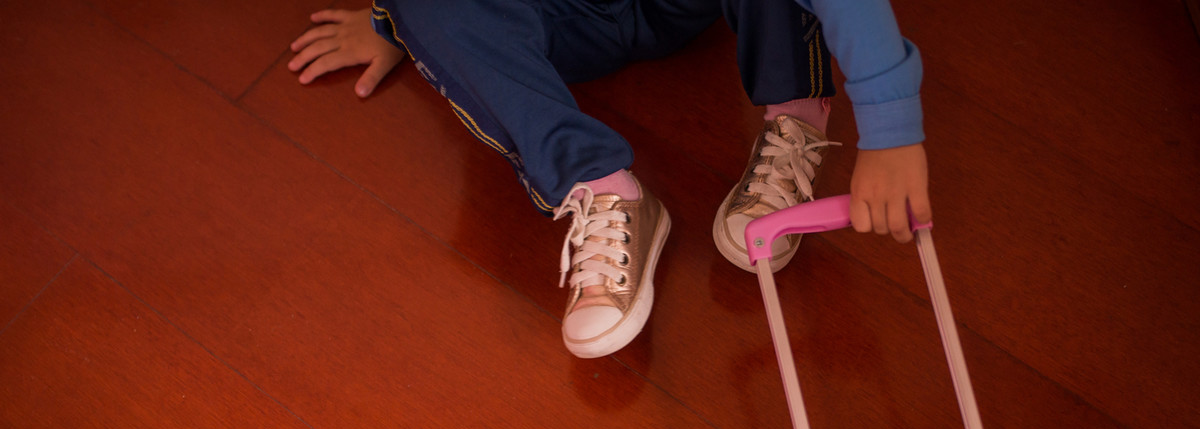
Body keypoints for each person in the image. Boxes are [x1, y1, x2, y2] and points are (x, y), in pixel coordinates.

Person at [288, 1, 931, 358]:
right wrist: (394, 21)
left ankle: (796, 109)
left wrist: (891, 126)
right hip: (554, 18)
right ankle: (600, 186)